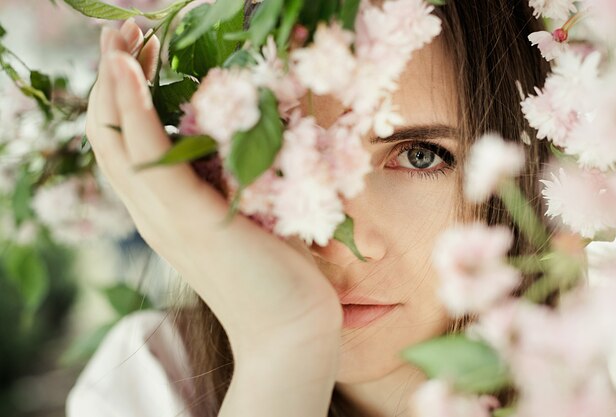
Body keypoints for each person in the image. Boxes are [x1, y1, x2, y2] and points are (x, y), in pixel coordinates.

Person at [66, 0, 550, 416]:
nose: (336, 243)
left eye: (419, 155)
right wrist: (283, 347)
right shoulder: (152, 381)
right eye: (279, 150)